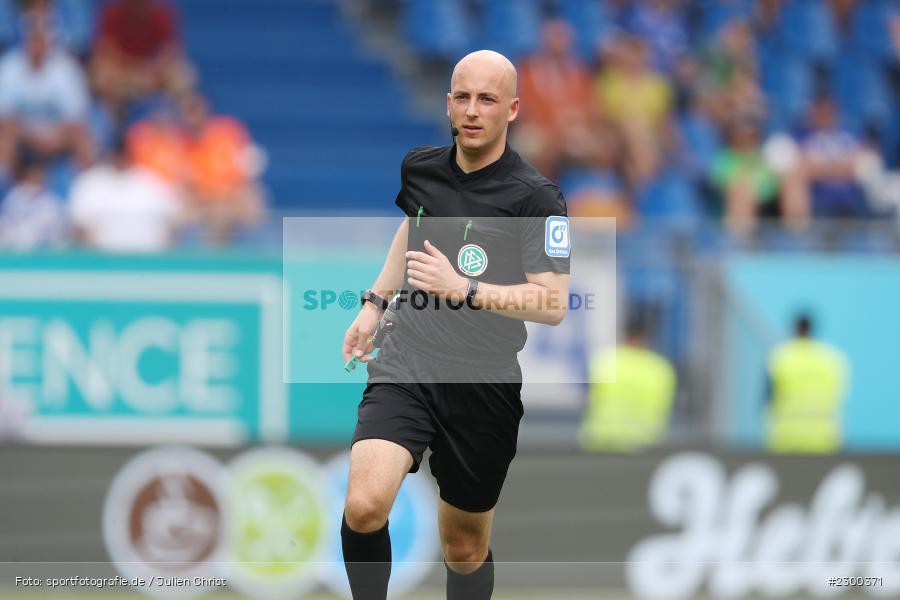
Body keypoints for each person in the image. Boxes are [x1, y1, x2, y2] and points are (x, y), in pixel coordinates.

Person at [339, 50, 570, 600]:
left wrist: (463, 289)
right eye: (462, 97)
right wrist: (374, 303)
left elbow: (553, 302)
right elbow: (410, 230)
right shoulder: (420, 167)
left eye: (486, 99)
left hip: (483, 380)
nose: (472, 110)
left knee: (463, 548)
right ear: (447, 103)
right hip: (407, 357)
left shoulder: (536, 198)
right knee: (365, 505)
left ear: (511, 109)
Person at [0, 13, 93, 181]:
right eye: (33, 39)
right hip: (22, 137)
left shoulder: (66, 69)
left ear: (50, 41)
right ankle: (5, 189)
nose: (37, 44)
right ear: (25, 40)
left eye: (41, 39)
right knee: (5, 138)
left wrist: (54, 138)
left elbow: (76, 119)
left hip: (58, 136)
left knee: (83, 138)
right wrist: (33, 137)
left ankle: (84, 191)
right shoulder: (9, 67)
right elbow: (6, 119)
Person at [68, 134, 184, 252]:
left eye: (123, 154)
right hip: (103, 263)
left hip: (148, 262)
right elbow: (80, 228)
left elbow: (175, 220)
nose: (120, 158)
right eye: (117, 154)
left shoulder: (150, 181)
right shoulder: (90, 183)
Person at [579, 314, 676, 452]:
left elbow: (586, 399)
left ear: (624, 335)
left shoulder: (603, 361)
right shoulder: (661, 369)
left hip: (602, 444)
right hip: (646, 446)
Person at [765, 313, 850, 454]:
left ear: (795, 328)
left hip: (785, 440)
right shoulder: (832, 360)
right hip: (825, 440)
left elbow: (766, 399)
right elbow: (840, 396)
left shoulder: (779, 358)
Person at [0, 147, 67, 249]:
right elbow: (6, 226)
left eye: (41, 173)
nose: (39, 176)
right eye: (35, 173)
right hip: (18, 250)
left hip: (46, 250)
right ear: (28, 174)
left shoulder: (51, 200)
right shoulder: (15, 197)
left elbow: (60, 229)